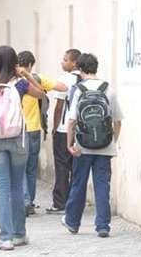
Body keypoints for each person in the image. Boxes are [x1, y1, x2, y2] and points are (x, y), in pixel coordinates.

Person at [0, 46, 44, 250]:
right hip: (18, 138)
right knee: (17, 187)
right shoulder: (21, 84)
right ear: (15, 62)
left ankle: (4, 238)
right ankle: (19, 234)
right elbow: (41, 94)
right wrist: (26, 74)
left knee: (2, 188)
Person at [62, 53, 123, 238]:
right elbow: (118, 121)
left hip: (82, 146)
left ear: (80, 70)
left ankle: (72, 222)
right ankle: (103, 226)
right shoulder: (108, 90)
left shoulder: (78, 90)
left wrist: (70, 143)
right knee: (102, 185)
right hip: (105, 146)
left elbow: (72, 121)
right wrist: (113, 141)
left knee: (78, 184)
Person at [17, 51, 67, 216]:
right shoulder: (37, 79)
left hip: (17, 130)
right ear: (31, 64)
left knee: (20, 168)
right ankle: (29, 201)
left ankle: (23, 200)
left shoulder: (13, 81)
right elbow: (62, 87)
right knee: (31, 169)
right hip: (35, 129)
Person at [46, 49, 82, 214]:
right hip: (81, 130)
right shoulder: (84, 79)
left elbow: (59, 106)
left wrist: (54, 127)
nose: (62, 62)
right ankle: (76, 202)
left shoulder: (65, 79)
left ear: (74, 63)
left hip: (63, 128)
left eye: (65, 59)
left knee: (61, 165)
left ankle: (60, 202)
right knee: (76, 167)